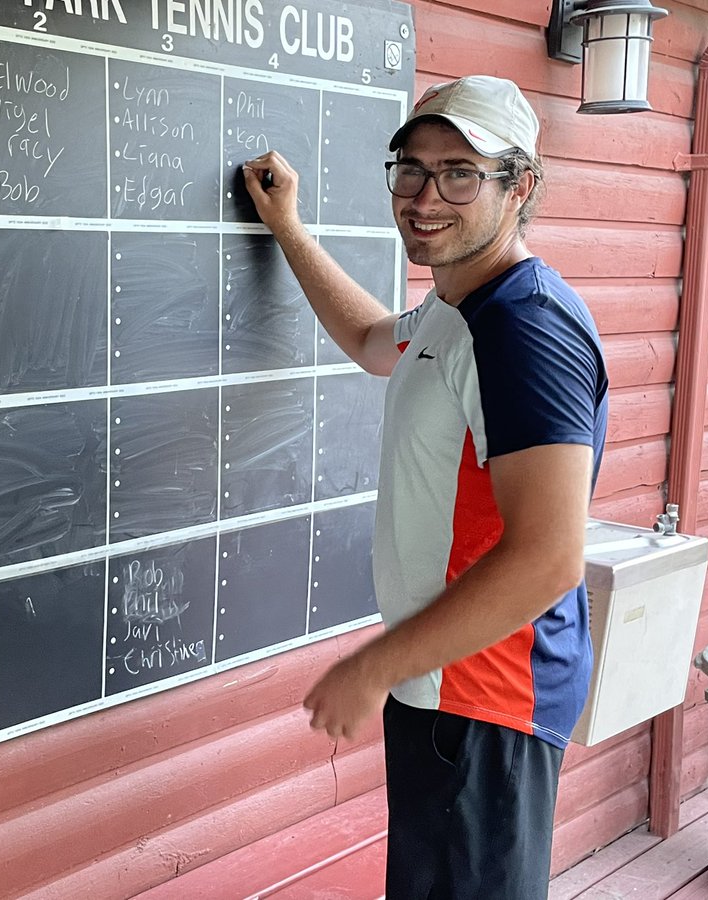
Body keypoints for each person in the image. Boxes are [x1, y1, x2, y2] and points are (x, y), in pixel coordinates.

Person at [242, 75, 609, 899]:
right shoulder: (457, 307)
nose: (425, 195)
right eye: (411, 167)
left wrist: (374, 667)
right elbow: (375, 340)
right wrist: (289, 230)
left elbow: (549, 556)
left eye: (460, 172)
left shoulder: (525, 330)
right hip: (443, 683)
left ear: (521, 187)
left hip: (485, 697)